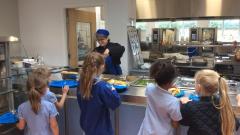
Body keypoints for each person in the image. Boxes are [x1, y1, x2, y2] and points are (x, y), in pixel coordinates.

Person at [180, 69, 239, 135]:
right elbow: (235, 125)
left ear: (199, 87)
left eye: (195, 83)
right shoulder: (224, 104)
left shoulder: (189, 107)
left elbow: (182, 122)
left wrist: (184, 105)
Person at [77, 52, 121, 135]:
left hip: (87, 128)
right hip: (101, 130)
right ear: (102, 66)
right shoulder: (102, 86)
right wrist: (111, 87)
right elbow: (116, 102)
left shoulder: (80, 83)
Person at [138, 61, 182, 135]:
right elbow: (175, 124)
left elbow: (159, 93)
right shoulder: (173, 102)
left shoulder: (149, 88)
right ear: (169, 82)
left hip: (147, 131)